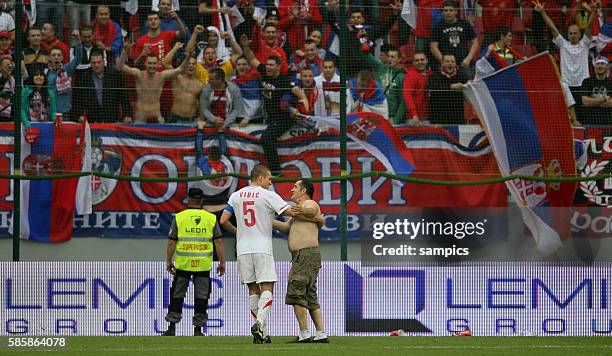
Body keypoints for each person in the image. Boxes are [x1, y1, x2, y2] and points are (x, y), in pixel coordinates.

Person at [220, 164, 298, 344]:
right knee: (268, 288)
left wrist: (238, 231)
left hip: (243, 248)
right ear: (260, 178)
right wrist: (312, 212)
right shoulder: (268, 195)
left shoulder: (236, 195)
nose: (271, 183)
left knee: (253, 290)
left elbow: (223, 220)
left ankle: (263, 333)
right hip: (262, 248)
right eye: (269, 179)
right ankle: (260, 322)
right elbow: (290, 212)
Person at [241, 34, 309, 176]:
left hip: (284, 118)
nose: (268, 67)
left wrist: (303, 107)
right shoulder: (264, 73)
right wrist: (246, 46)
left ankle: (276, 171)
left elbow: (300, 94)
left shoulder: (284, 80)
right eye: (267, 64)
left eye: (271, 65)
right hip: (271, 118)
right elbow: (252, 59)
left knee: (266, 138)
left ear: (278, 67)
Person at [162, 187, 225, 336]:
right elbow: (219, 243)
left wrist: (169, 261)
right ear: (202, 200)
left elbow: (171, 243)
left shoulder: (179, 217)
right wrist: (222, 263)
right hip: (203, 265)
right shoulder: (211, 218)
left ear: (188, 199)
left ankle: (172, 328)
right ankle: (198, 330)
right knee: (202, 296)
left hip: (183, 264)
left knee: (177, 295)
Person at [272, 179, 328, 343]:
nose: (292, 190)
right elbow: (286, 228)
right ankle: (320, 334)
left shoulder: (310, 203)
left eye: (295, 187)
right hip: (304, 256)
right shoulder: (298, 215)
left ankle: (304, 334)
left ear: (303, 190)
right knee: (310, 294)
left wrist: (292, 210)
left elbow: (310, 210)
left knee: (296, 292)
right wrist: (264, 220)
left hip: (305, 255)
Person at [533, 0, 597, 104]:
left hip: (583, 83)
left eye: (575, 33)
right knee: (569, 112)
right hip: (566, 83)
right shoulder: (563, 44)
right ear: (567, 35)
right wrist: (543, 12)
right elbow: (553, 28)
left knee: (584, 111)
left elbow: (589, 27)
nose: (573, 35)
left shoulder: (585, 43)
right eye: (570, 33)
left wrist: (594, 12)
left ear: (580, 35)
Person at [118, 41, 192, 123]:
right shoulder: (139, 74)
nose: (152, 66)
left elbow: (180, 69)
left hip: (157, 116)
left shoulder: (162, 76)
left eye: (154, 63)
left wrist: (189, 56)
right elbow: (121, 67)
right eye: (149, 63)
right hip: (140, 117)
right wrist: (124, 51)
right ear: (145, 64)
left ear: (157, 64)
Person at [72, 51, 133, 123]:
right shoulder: (82, 79)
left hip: (111, 118)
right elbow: (76, 101)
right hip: (91, 120)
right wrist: (79, 116)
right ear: (90, 64)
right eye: (94, 63)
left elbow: (124, 97)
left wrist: (127, 115)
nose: (96, 65)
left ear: (104, 62)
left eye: (99, 62)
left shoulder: (115, 76)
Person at [430, 0, 479, 75]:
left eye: (451, 10)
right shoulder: (438, 27)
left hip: (463, 64)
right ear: (442, 12)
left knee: (466, 86)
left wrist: (468, 58)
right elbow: (433, 47)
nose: (448, 13)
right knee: (445, 86)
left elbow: (475, 42)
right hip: (445, 67)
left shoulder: (464, 24)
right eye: (445, 10)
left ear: (456, 11)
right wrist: (444, 61)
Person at [162, 42, 205, 124]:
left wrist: (201, 120)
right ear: (184, 65)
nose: (191, 66)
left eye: (194, 64)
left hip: (192, 120)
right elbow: (165, 63)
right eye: (189, 63)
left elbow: (202, 105)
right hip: (174, 118)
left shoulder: (200, 85)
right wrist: (175, 48)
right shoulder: (177, 77)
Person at [427, 53, 468, 125]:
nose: (450, 64)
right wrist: (451, 86)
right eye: (447, 61)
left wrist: (469, 84)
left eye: (452, 62)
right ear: (442, 63)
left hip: (457, 118)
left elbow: (469, 85)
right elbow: (435, 89)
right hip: (438, 118)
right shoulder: (434, 76)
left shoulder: (462, 76)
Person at [200, 67, 245, 131]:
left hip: (228, 124)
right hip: (211, 124)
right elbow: (203, 108)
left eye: (211, 79)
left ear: (220, 80)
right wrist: (214, 119)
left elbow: (237, 109)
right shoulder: (206, 89)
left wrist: (226, 123)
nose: (208, 81)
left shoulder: (234, 89)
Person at [579, 56, 612, 124]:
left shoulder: (611, 83)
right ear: (594, 66)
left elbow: (610, 103)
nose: (599, 66)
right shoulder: (587, 82)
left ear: (607, 66)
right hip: (590, 122)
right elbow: (585, 102)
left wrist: (593, 102)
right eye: (597, 64)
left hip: (608, 122)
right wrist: (604, 98)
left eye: (602, 64)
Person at [403, 52, 432, 126]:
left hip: (428, 117)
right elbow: (407, 96)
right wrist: (414, 115)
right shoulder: (410, 75)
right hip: (414, 119)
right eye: (417, 60)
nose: (420, 62)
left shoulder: (431, 74)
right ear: (413, 62)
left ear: (427, 60)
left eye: (422, 60)